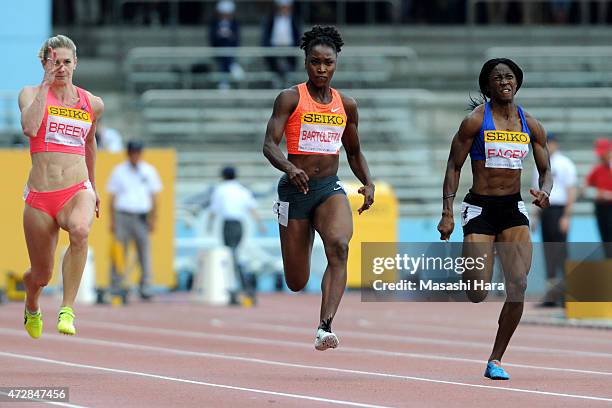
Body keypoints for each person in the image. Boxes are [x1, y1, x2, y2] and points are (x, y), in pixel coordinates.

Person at [437, 58, 552, 379]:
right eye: (497, 77)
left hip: (513, 209)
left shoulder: (530, 124)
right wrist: (447, 212)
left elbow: (546, 170)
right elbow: (453, 166)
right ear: (488, 86)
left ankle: (496, 359)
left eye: (510, 76)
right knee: (477, 292)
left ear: (518, 82)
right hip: (480, 208)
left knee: (519, 285)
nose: (504, 81)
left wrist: (545, 192)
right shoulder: (475, 122)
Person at [263, 25, 375, 351]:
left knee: (340, 245)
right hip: (295, 190)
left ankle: (325, 327)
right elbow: (269, 145)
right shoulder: (290, 98)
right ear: (306, 62)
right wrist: (289, 167)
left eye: (328, 62)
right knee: (297, 281)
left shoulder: (347, 105)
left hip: (329, 188)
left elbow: (354, 152)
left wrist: (368, 182)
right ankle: (298, 237)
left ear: (336, 62)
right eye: (315, 62)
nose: (322, 69)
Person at [18, 34, 104, 338]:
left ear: (76, 63)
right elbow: (29, 127)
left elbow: (90, 145)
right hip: (41, 197)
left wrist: (94, 188)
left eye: (67, 62)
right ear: (45, 64)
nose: (62, 68)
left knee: (81, 230)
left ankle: (67, 309)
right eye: (55, 62)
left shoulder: (91, 103)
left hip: (76, 189)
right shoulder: (30, 93)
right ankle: (32, 303)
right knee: (41, 275)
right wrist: (44, 86)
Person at [106, 140, 162, 302]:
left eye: (138, 152)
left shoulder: (149, 171)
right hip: (122, 215)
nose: (135, 156)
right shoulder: (119, 171)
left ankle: (146, 286)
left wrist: (153, 218)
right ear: (128, 153)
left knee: (144, 252)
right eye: (132, 152)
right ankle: (116, 284)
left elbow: (154, 196)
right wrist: (112, 220)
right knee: (119, 252)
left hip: (141, 216)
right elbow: (112, 196)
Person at [207, 166, 265, 305]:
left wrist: (209, 225)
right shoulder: (241, 190)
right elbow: (252, 208)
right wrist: (260, 224)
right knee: (234, 255)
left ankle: (243, 289)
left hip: (228, 225)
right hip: (239, 225)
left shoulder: (221, 189)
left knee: (232, 256)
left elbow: (213, 210)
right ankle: (239, 290)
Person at [531, 133, 577, 306]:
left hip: (559, 210)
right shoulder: (539, 165)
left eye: (549, 143)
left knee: (561, 254)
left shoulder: (565, 164)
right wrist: (535, 216)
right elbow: (537, 192)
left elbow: (571, 191)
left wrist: (566, 216)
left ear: (555, 144)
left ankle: (566, 295)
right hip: (545, 211)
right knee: (548, 253)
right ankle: (551, 295)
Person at [261, 0, 301, 85]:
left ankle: (288, 80)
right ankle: (277, 79)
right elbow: (266, 35)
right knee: (275, 64)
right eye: (282, 8)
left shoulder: (295, 20)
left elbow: (297, 35)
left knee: (289, 65)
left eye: (286, 8)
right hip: (274, 47)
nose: (284, 10)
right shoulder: (271, 19)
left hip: (290, 48)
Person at [585, 138, 612, 258]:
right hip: (601, 207)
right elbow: (586, 188)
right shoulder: (597, 169)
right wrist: (597, 193)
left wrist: (607, 194)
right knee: (605, 238)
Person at [208, 0, 243, 89]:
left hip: (231, 50)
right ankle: (231, 66)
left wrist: (230, 36)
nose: (225, 16)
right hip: (218, 50)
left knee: (226, 54)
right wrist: (219, 35)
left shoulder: (235, 24)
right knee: (223, 54)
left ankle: (224, 81)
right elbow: (212, 39)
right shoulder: (214, 24)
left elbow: (237, 40)